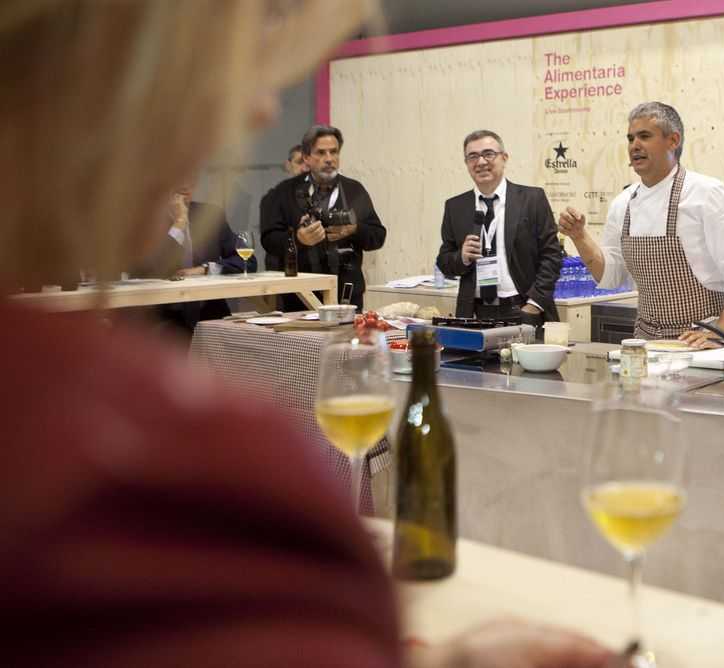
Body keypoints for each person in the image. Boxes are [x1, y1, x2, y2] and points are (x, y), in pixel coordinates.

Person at [0, 2, 611, 667]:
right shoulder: (190, 467)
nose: (263, 108)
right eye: (225, 60)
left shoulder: (494, 199)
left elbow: (377, 237)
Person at [558, 102, 724, 345]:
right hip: (647, 344)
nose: (634, 145)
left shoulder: (707, 194)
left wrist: (723, 334)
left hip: (700, 344)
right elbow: (611, 276)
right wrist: (580, 237)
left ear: (673, 140)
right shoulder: (623, 204)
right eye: (630, 138)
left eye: (645, 136)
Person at [436, 130, 561, 329]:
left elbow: (552, 255)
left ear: (504, 158)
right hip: (473, 314)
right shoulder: (455, 207)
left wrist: (534, 304)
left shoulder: (532, 199)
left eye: (489, 154)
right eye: (473, 156)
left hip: (522, 310)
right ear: (467, 163)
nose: (481, 162)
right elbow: (444, 261)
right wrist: (462, 257)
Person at [260, 125, 385, 311]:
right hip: (299, 298)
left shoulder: (354, 190)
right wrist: (298, 239)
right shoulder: (284, 192)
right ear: (306, 157)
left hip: (347, 297)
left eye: (333, 152)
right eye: (321, 152)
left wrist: (354, 229)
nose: (329, 159)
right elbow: (269, 240)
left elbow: (377, 236)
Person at [138, 181, 257, 334]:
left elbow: (248, 261)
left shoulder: (210, 215)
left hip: (209, 314)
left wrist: (205, 269)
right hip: (164, 317)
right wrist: (179, 223)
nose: (186, 183)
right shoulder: (148, 219)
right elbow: (151, 267)